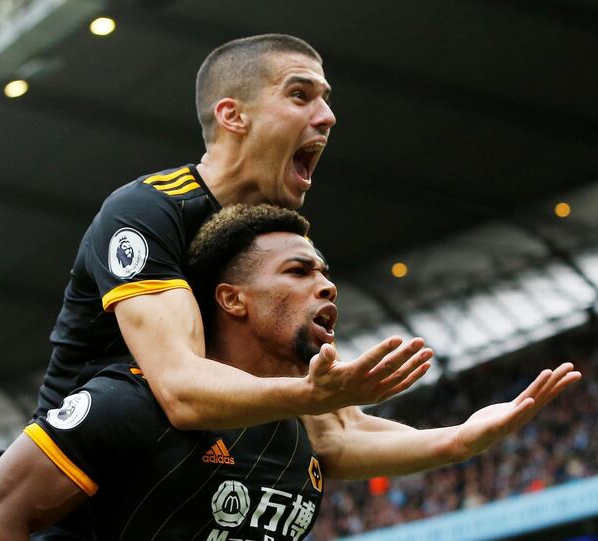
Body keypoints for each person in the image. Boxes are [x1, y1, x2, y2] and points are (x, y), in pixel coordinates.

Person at [0, 205, 582, 540]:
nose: (326, 285)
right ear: (233, 300)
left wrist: (463, 439)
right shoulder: (130, 405)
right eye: (297, 272)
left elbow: (353, 436)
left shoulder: (306, 435)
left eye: (325, 274)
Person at [36, 33, 429, 432]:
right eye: (299, 95)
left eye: (325, 98)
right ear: (233, 116)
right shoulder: (147, 211)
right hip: (86, 467)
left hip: (198, 469)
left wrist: (467, 437)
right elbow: (180, 390)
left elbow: (336, 435)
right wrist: (312, 395)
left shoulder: (282, 244)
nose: (327, 116)